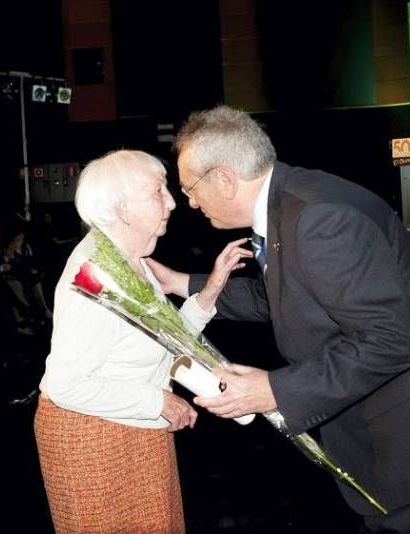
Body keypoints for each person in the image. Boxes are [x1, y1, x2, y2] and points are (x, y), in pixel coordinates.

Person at [147, 106, 410, 533]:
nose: (190, 203)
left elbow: (390, 342)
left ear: (224, 177)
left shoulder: (317, 219)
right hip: (405, 430)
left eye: (190, 189)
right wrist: (179, 282)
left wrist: (271, 390)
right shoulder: (291, 201)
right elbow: (275, 295)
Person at [34, 150, 252, 533]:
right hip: (92, 440)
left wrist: (211, 289)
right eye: (158, 192)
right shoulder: (95, 275)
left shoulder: (132, 260)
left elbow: (164, 339)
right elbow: (67, 386)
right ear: (122, 208)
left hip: (133, 425)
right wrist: (160, 400)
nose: (171, 202)